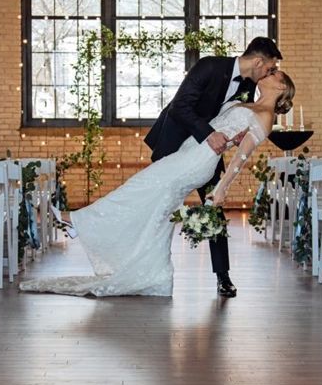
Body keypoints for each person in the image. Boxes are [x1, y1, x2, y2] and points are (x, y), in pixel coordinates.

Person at [20, 70, 295, 299]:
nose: (268, 73)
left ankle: (77, 221)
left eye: (274, 73)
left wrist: (222, 187)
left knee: (138, 187)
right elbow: (228, 131)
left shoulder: (266, 115)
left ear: (281, 86)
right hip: (189, 151)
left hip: (199, 161)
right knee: (158, 211)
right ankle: (156, 275)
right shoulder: (249, 104)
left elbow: (241, 157)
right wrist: (230, 135)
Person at [145, 36, 283, 298]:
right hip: (176, 143)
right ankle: (149, 264)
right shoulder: (209, 66)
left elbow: (237, 115)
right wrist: (209, 133)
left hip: (208, 155)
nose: (270, 72)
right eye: (270, 67)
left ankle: (223, 277)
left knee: (213, 209)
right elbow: (179, 107)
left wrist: (238, 133)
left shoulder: (251, 85)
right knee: (159, 205)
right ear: (257, 61)